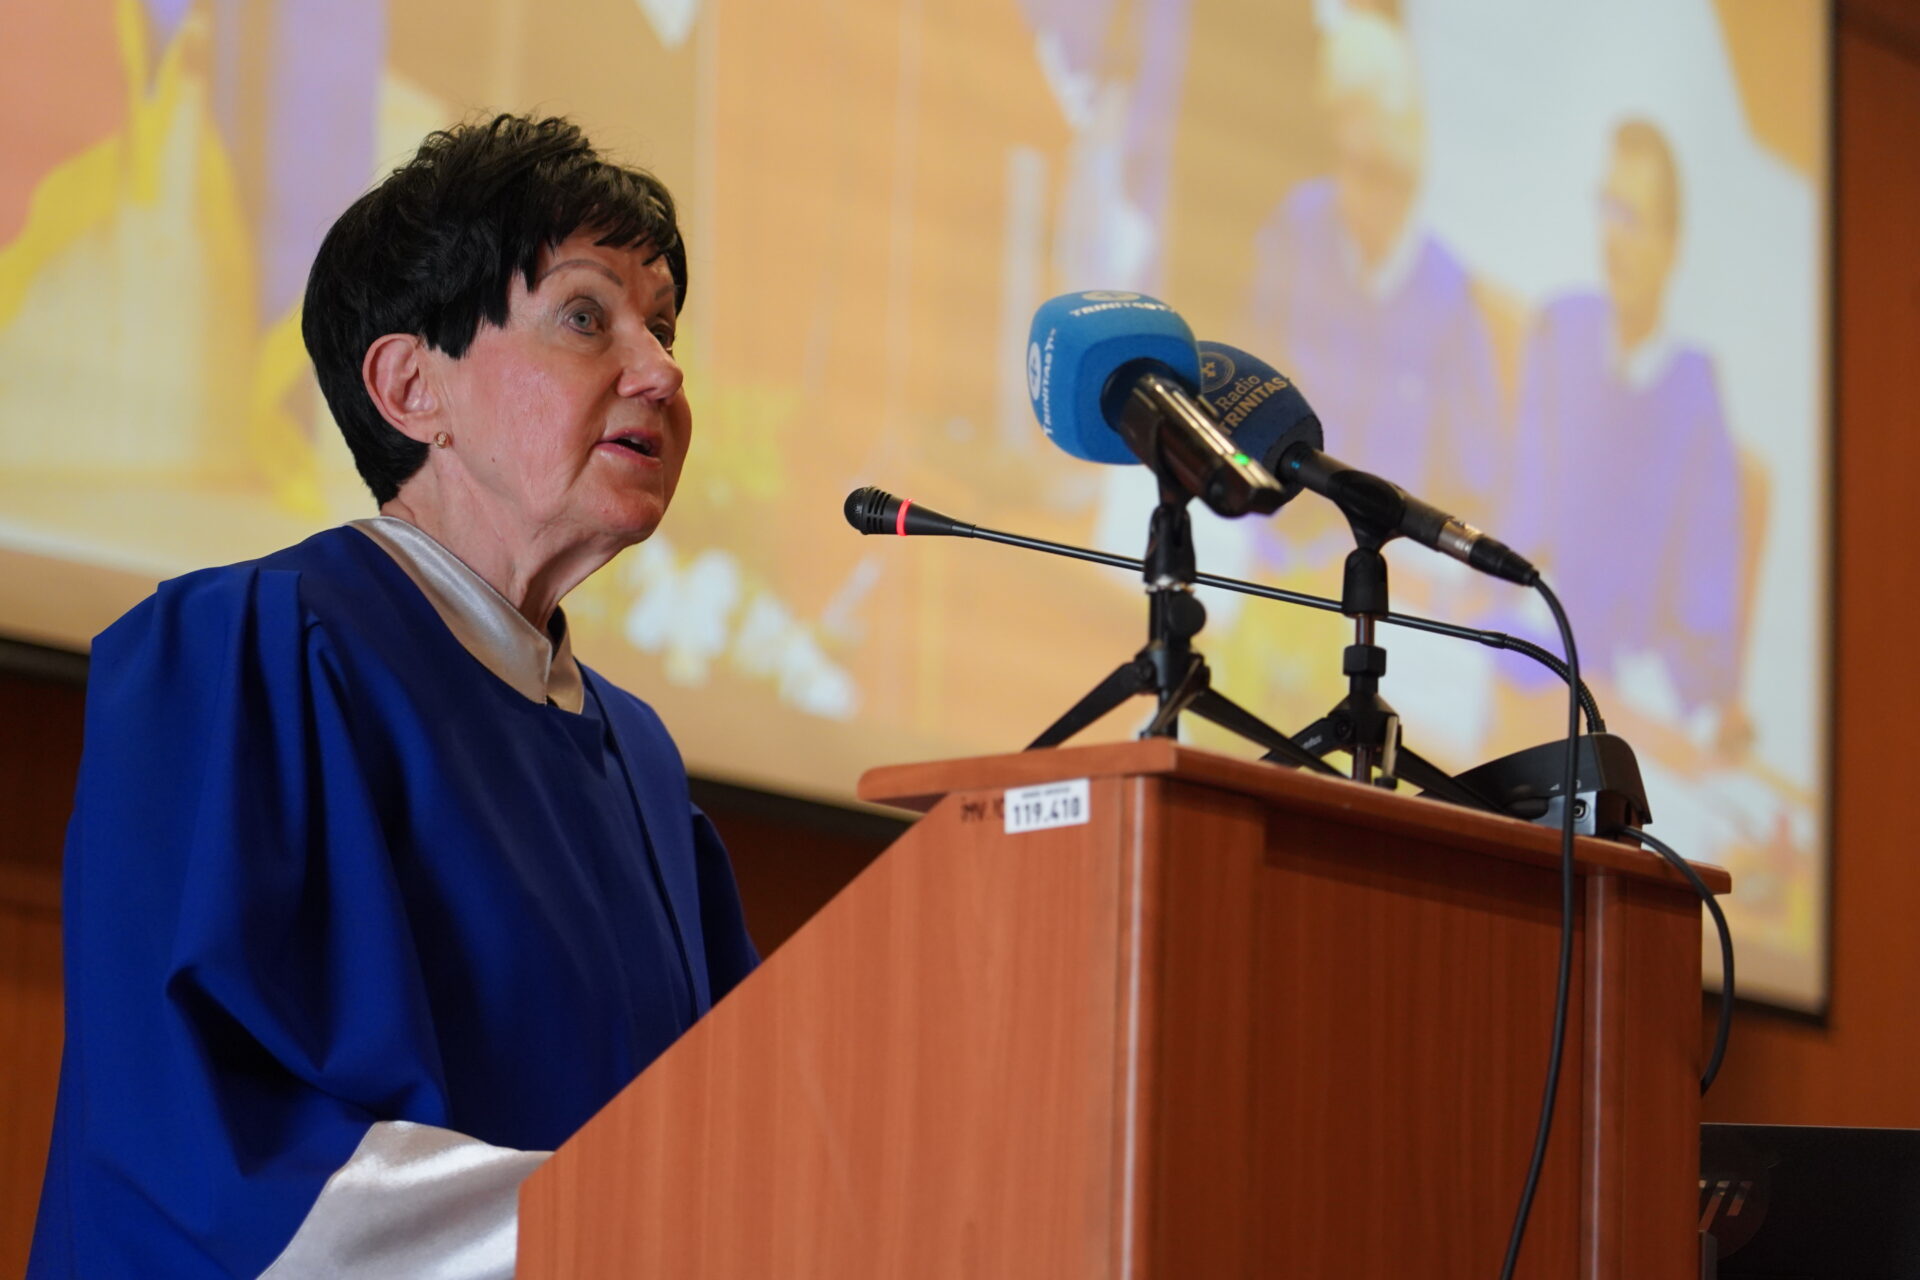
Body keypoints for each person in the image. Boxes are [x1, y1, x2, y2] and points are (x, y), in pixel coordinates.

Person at [27, 114, 759, 1279]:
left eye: (662, 328)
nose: (662, 371)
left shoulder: (640, 760)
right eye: (587, 316)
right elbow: (205, 1154)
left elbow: (736, 1142)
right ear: (413, 387)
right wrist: (624, 1221)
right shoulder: (248, 651)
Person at [1502, 118, 1745, 727]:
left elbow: (1704, 612)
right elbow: (1520, 519)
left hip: (1622, 704)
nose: (1612, 236)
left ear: (1672, 245)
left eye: (1632, 217)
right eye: (1607, 208)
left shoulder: (1698, 400)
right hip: (1527, 662)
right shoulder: (1559, 331)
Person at [1245, 8, 1503, 541]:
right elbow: (1244, 376)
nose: (1363, 187)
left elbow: (1475, 480)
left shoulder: (1452, 299)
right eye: (1350, 155)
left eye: (1382, 172)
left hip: (1388, 556)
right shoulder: (1295, 229)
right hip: (1273, 534)